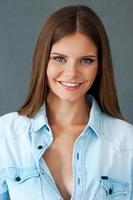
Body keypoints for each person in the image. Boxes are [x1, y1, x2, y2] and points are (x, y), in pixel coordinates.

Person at [0, 4, 133, 200]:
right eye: (60, 58)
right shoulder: (5, 135)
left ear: (99, 66)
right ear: (42, 61)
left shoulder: (127, 142)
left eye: (86, 60)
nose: (72, 72)